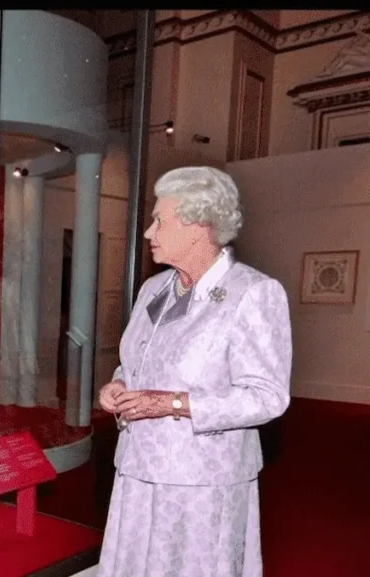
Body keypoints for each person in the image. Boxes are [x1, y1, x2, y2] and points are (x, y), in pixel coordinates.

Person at [96, 166, 292, 577]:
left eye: (159, 221)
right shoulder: (155, 289)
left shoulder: (253, 293)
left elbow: (267, 396)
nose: (149, 233)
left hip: (202, 481)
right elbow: (139, 359)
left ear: (198, 226)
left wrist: (171, 403)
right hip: (138, 468)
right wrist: (119, 384)